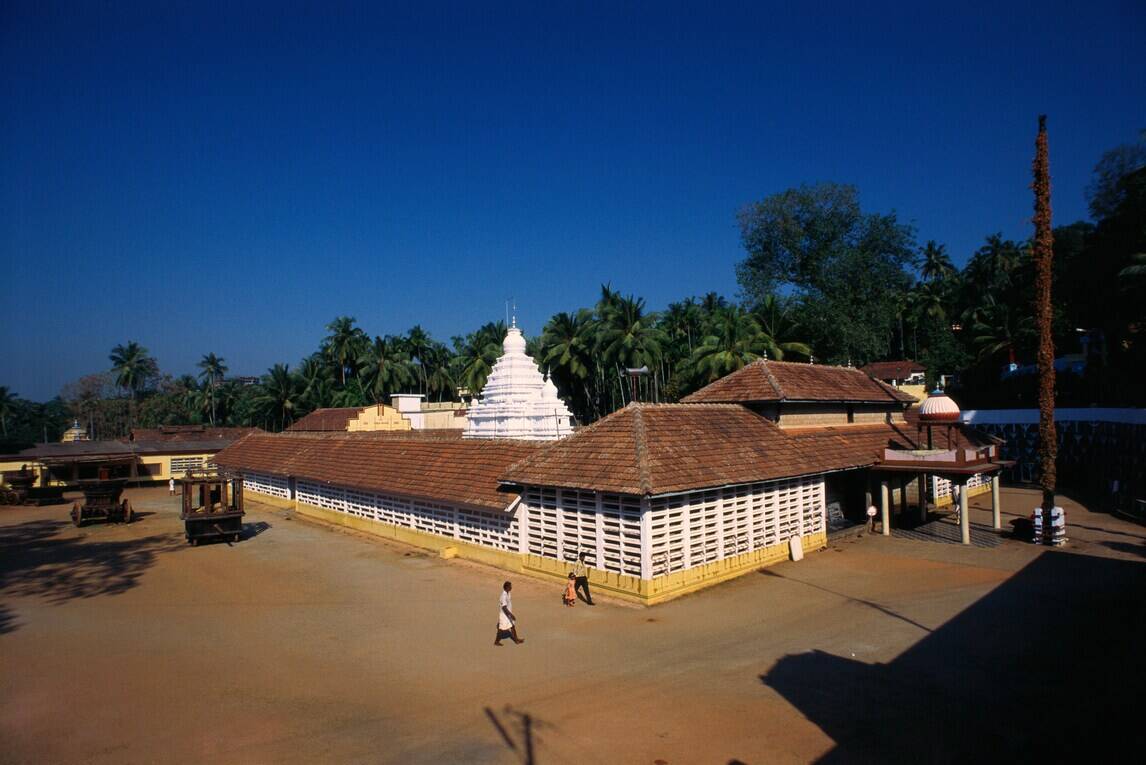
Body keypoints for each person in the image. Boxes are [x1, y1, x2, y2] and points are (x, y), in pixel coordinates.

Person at [494, 581, 524, 646]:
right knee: (501, 629)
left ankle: (516, 640)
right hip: (504, 615)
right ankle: (496, 642)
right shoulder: (503, 596)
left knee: (512, 626)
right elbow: (504, 608)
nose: (511, 587)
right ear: (507, 587)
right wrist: (511, 615)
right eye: (510, 586)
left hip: (508, 614)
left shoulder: (508, 593)